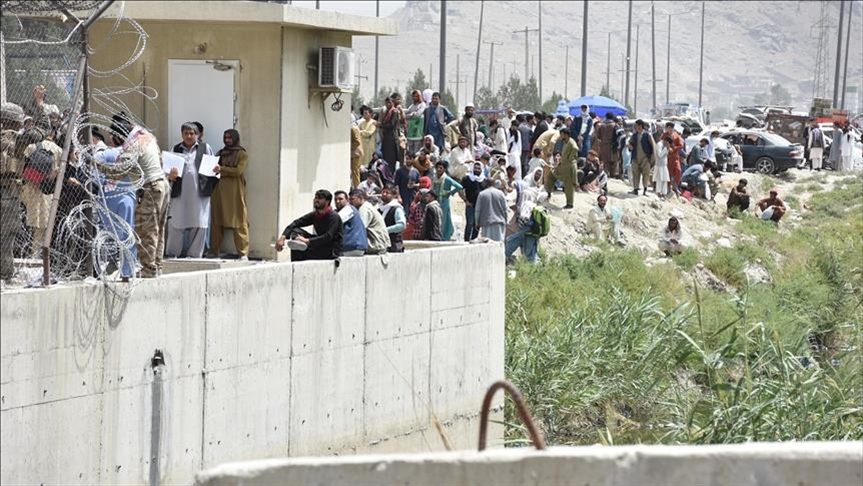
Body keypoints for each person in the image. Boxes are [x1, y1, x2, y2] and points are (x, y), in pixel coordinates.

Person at [100, 113, 170, 278]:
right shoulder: (147, 136)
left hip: (151, 187)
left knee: (146, 229)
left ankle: (148, 269)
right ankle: (156, 266)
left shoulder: (134, 145)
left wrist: (98, 165)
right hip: (162, 184)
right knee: (158, 229)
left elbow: (119, 171)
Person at [167, 122, 217, 259]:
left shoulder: (205, 148)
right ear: (182, 134)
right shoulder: (176, 149)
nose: (189, 136)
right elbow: (167, 172)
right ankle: (172, 253)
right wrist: (170, 176)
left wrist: (217, 170)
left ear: (197, 135)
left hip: (200, 193)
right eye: (186, 133)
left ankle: (194, 255)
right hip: (180, 193)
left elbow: (213, 170)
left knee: (199, 223)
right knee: (177, 221)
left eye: (192, 133)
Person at [210, 129, 250, 260]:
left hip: (235, 192)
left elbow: (238, 171)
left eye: (230, 138)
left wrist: (222, 169)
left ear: (235, 138)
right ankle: (214, 250)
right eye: (225, 137)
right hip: (219, 190)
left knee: (239, 221)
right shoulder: (221, 153)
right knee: (217, 221)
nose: (227, 140)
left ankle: (243, 253)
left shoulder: (242, 154)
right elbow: (211, 168)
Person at [275, 189, 342, 261]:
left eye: (320, 198)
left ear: (327, 201)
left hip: (330, 251)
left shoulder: (334, 217)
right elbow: (296, 223)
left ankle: (302, 247)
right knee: (295, 232)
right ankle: (298, 258)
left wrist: (307, 241)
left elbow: (328, 237)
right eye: (316, 198)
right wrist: (283, 237)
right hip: (318, 246)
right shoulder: (316, 215)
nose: (316, 200)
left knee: (300, 247)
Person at [1, 103, 25, 279]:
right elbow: (41, 132)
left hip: (8, 191)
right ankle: (5, 272)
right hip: (8, 193)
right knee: (7, 234)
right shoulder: (16, 140)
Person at [504, 187, 542, 264]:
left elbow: (525, 221)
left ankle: (503, 258)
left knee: (528, 255)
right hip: (532, 234)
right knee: (531, 253)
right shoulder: (535, 206)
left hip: (526, 232)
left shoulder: (526, 206)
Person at [544, 127, 579, 208]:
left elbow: (575, 148)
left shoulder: (571, 142)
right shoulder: (565, 142)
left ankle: (569, 204)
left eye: (562, 134)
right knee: (551, 175)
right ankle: (548, 193)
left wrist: (570, 157)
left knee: (569, 186)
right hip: (562, 166)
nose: (560, 136)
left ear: (566, 135)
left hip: (569, 168)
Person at [350, 189, 390, 254]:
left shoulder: (364, 209)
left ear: (360, 198)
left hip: (376, 244)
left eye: (352, 199)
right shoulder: (366, 206)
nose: (350, 202)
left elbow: (360, 229)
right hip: (378, 243)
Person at [431, 160, 463, 241]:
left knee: (443, 219)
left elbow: (459, 186)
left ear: (444, 169)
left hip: (443, 201)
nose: (438, 169)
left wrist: (450, 193)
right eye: (437, 168)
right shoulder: (434, 178)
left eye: (441, 168)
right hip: (435, 201)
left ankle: (442, 236)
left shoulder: (447, 179)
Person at [334, 189, 368, 256]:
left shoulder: (348, 209)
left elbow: (334, 222)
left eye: (340, 199)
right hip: (355, 247)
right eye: (335, 199)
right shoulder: (341, 211)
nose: (337, 201)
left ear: (347, 200)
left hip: (353, 247)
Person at [379, 93, 406, 175]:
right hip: (387, 139)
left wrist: (380, 125)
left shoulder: (394, 112)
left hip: (392, 139)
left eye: (390, 103)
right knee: (386, 161)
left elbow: (391, 125)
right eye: (386, 103)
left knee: (391, 161)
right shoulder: (387, 112)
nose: (388, 105)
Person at [629, 119, 657, 196]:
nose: (635, 127)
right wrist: (630, 146)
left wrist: (652, 158)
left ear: (640, 126)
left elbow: (653, 146)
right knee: (635, 173)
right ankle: (635, 189)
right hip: (635, 157)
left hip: (645, 158)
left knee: (646, 174)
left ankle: (645, 189)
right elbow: (630, 143)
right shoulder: (634, 135)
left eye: (636, 125)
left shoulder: (647, 135)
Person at [460, 162, 485, 241]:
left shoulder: (484, 180)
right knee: (470, 223)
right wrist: (465, 200)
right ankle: (466, 241)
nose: (477, 170)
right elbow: (460, 189)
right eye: (475, 168)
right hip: (470, 205)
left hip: (480, 207)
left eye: (479, 168)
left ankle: (474, 240)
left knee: (477, 225)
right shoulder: (467, 178)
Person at [379, 185, 406, 253]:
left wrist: (385, 230)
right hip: (381, 244)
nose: (384, 194)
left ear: (394, 195)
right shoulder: (379, 209)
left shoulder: (396, 209)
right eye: (383, 192)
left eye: (387, 193)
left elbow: (401, 225)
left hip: (394, 245)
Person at [660, 122, 684, 191]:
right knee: (668, 172)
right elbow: (661, 144)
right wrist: (667, 148)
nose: (670, 129)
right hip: (667, 157)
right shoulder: (664, 135)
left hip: (675, 157)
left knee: (678, 170)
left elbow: (680, 145)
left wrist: (673, 149)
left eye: (671, 128)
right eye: (668, 128)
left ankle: (675, 185)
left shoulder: (676, 135)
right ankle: (668, 186)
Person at [595, 112, 619, 178]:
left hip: (603, 145)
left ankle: (606, 174)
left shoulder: (601, 125)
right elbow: (618, 136)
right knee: (613, 161)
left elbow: (598, 136)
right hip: (612, 145)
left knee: (605, 161)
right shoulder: (615, 125)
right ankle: (612, 174)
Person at [404, 89, 427, 155]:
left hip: (418, 131)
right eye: (413, 96)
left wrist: (412, 114)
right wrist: (411, 114)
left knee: (417, 152)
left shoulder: (422, 105)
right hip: (410, 131)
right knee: (410, 151)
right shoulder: (412, 106)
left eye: (416, 96)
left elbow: (418, 114)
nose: (415, 98)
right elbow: (406, 114)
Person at [350, 122, 363, 189]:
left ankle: (357, 188)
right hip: (355, 153)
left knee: (355, 172)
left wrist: (349, 147)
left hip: (355, 153)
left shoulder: (353, 129)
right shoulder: (354, 128)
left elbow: (357, 142)